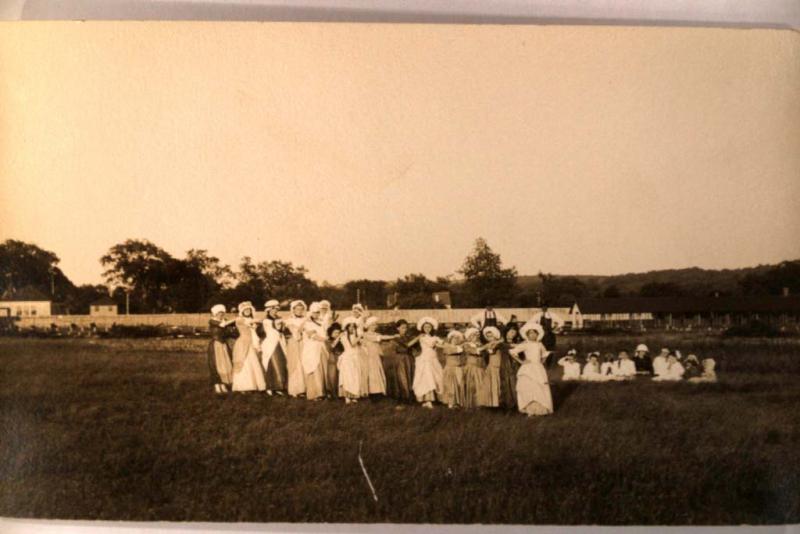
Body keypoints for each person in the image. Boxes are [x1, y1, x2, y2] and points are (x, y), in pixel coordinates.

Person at [509, 322, 553, 416]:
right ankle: (530, 410)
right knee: (528, 387)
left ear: (538, 334)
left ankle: (540, 409)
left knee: (539, 387)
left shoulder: (540, 344)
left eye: (534, 333)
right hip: (528, 368)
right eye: (530, 333)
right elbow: (513, 352)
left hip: (538, 368)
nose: (532, 335)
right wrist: (521, 361)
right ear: (527, 335)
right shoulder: (525, 344)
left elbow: (545, 354)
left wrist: (541, 362)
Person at [408, 317, 444, 409]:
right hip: (424, 359)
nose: (427, 329)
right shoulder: (422, 337)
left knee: (437, 376)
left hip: (433, 358)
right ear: (422, 328)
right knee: (427, 378)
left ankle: (437, 398)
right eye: (425, 327)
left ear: (432, 328)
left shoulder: (434, 337)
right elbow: (431, 344)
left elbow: (441, 344)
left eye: (429, 327)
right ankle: (428, 400)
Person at [231, 301, 267, 392]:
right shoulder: (240, 319)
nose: (247, 311)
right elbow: (253, 321)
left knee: (253, 363)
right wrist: (259, 320)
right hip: (243, 343)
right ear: (242, 311)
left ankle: (254, 384)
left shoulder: (251, 319)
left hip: (251, 343)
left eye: (249, 310)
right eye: (245, 310)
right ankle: (243, 386)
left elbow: (255, 325)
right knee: (244, 363)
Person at [361, 316, 397, 397]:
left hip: (376, 356)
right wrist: (394, 336)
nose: (374, 327)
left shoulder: (376, 334)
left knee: (377, 372)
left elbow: (381, 338)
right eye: (372, 325)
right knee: (372, 373)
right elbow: (381, 338)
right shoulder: (366, 335)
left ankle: (378, 391)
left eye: (375, 325)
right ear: (368, 326)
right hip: (369, 357)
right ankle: (372, 391)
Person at [301, 302, 328, 400]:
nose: (316, 314)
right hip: (311, 348)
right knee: (314, 368)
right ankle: (315, 393)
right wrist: (325, 339)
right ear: (310, 313)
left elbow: (324, 333)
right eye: (314, 312)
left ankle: (323, 391)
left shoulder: (321, 322)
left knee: (322, 369)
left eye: (317, 312)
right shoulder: (308, 323)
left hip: (321, 348)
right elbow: (313, 336)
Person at [260, 299, 288, 395]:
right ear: (268, 310)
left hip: (279, 343)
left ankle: (279, 386)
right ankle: (270, 386)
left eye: (276, 309)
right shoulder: (266, 321)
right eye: (273, 309)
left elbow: (282, 330)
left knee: (280, 363)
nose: (275, 311)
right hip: (270, 344)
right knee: (271, 363)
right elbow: (274, 330)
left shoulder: (278, 319)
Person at [384, 319, 416, 402]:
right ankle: (404, 396)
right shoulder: (396, 338)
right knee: (402, 376)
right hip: (400, 359)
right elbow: (406, 346)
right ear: (398, 328)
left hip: (409, 358)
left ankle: (411, 395)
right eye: (402, 328)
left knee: (410, 375)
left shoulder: (408, 337)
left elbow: (414, 348)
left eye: (405, 328)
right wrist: (418, 338)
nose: (404, 329)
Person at [207, 304, 234, 394]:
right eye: (219, 313)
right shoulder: (212, 321)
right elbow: (223, 325)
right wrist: (235, 319)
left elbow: (229, 331)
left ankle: (223, 384)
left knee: (225, 364)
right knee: (216, 365)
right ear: (215, 313)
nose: (221, 315)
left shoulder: (224, 321)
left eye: (222, 313)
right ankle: (217, 385)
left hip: (223, 345)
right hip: (216, 345)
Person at [334, 318, 363, 404]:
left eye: (353, 326)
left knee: (355, 376)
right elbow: (352, 344)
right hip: (347, 358)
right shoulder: (344, 335)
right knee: (347, 377)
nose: (352, 328)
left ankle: (354, 395)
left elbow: (358, 345)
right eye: (349, 326)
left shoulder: (355, 335)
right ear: (346, 327)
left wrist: (360, 339)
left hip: (355, 358)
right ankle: (347, 396)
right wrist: (359, 337)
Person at [283, 300, 308, 397]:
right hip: (294, 344)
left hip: (305, 343)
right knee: (295, 364)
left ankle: (305, 388)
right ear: (293, 310)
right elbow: (296, 335)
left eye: (301, 309)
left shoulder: (306, 319)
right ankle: (295, 389)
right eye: (297, 309)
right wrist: (302, 327)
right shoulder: (289, 321)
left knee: (304, 364)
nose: (299, 311)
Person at [462, 327, 490, 408]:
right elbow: (473, 351)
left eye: (477, 335)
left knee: (481, 385)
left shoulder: (480, 344)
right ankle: (472, 403)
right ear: (469, 337)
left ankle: (480, 403)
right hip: (472, 367)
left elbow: (484, 354)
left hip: (480, 367)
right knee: (472, 385)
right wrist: (484, 347)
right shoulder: (466, 345)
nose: (476, 337)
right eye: (474, 335)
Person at [479, 326, 505, 408]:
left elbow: (496, 347)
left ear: (495, 335)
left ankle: (500, 402)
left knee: (499, 384)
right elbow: (483, 349)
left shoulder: (499, 343)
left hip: (499, 365)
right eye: (488, 336)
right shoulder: (489, 344)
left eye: (491, 336)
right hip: (492, 366)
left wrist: (497, 342)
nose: (490, 338)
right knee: (492, 384)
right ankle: (493, 402)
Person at [441, 330, 466, 409]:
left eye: (457, 339)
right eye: (454, 338)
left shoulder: (459, 347)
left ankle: (458, 402)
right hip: (450, 368)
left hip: (458, 368)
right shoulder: (447, 347)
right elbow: (450, 351)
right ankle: (450, 403)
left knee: (459, 385)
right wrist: (459, 348)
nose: (455, 340)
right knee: (450, 386)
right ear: (450, 339)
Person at [324, 322, 343, 399]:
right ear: (330, 333)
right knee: (332, 376)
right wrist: (338, 339)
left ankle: (340, 393)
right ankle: (332, 393)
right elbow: (331, 347)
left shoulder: (341, 341)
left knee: (340, 376)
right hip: (333, 360)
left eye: (338, 333)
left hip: (341, 359)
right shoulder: (328, 340)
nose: (337, 334)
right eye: (335, 332)